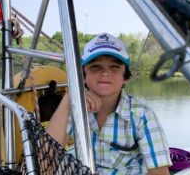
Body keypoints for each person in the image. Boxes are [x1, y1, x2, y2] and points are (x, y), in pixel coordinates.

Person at [46, 33, 172, 174]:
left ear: (125, 77)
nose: (105, 73)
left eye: (114, 67)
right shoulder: (75, 110)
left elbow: (159, 172)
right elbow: (46, 159)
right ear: (83, 75)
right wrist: (69, 99)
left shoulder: (143, 116)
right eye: (95, 66)